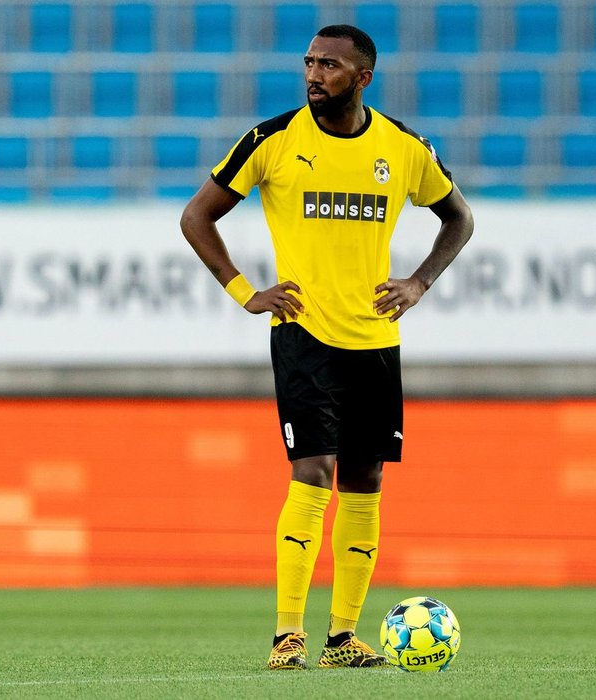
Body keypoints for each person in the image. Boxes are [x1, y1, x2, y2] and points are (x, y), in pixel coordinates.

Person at [180, 24, 474, 670]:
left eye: (330, 66)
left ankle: (343, 638)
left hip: (374, 339)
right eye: (309, 63)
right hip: (303, 333)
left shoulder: (402, 149)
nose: (314, 75)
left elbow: (460, 217)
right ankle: (288, 635)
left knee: (364, 481)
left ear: (362, 77)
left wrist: (419, 282)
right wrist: (244, 291)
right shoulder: (273, 141)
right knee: (312, 471)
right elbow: (195, 215)